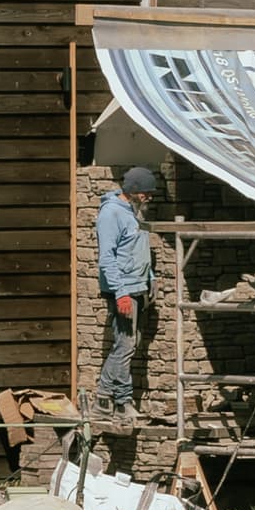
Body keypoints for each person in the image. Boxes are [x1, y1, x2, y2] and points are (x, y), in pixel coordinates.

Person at [94, 165, 160, 419]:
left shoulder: (133, 211)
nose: (148, 197)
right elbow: (107, 258)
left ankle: (104, 399)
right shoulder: (111, 214)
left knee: (130, 344)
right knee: (125, 345)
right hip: (123, 290)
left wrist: (150, 278)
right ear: (133, 190)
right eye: (145, 192)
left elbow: (137, 249)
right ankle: (120, 402)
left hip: (137, 287)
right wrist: (120, 293)